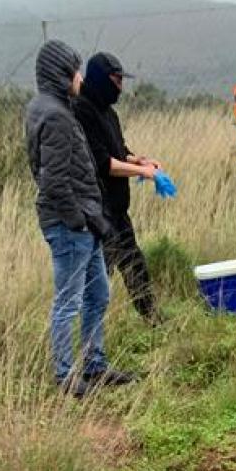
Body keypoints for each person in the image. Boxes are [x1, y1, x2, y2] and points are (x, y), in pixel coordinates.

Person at [24, 40, 136, 398]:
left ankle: (94, 364)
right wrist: (78, 220)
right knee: (69, 301)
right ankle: (65, 375)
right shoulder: (56, 116)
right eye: (74, 70)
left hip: (82, 221)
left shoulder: (52, 108)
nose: (79, 77)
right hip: (72, 225)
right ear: (61, 73)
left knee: (98, 294)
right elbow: (52, 180)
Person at [72, 51, 164, 326]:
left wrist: (140, 160)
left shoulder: (108, 112)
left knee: (134, 263)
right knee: (102, 276)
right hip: (98, 210)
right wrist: (143, 172)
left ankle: (153, 319)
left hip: (117, 207)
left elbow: (118, 151)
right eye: (116, 80)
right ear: (101, 78)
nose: (121, 87)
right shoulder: (81, 111)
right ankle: (93, 336)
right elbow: (103, 163)